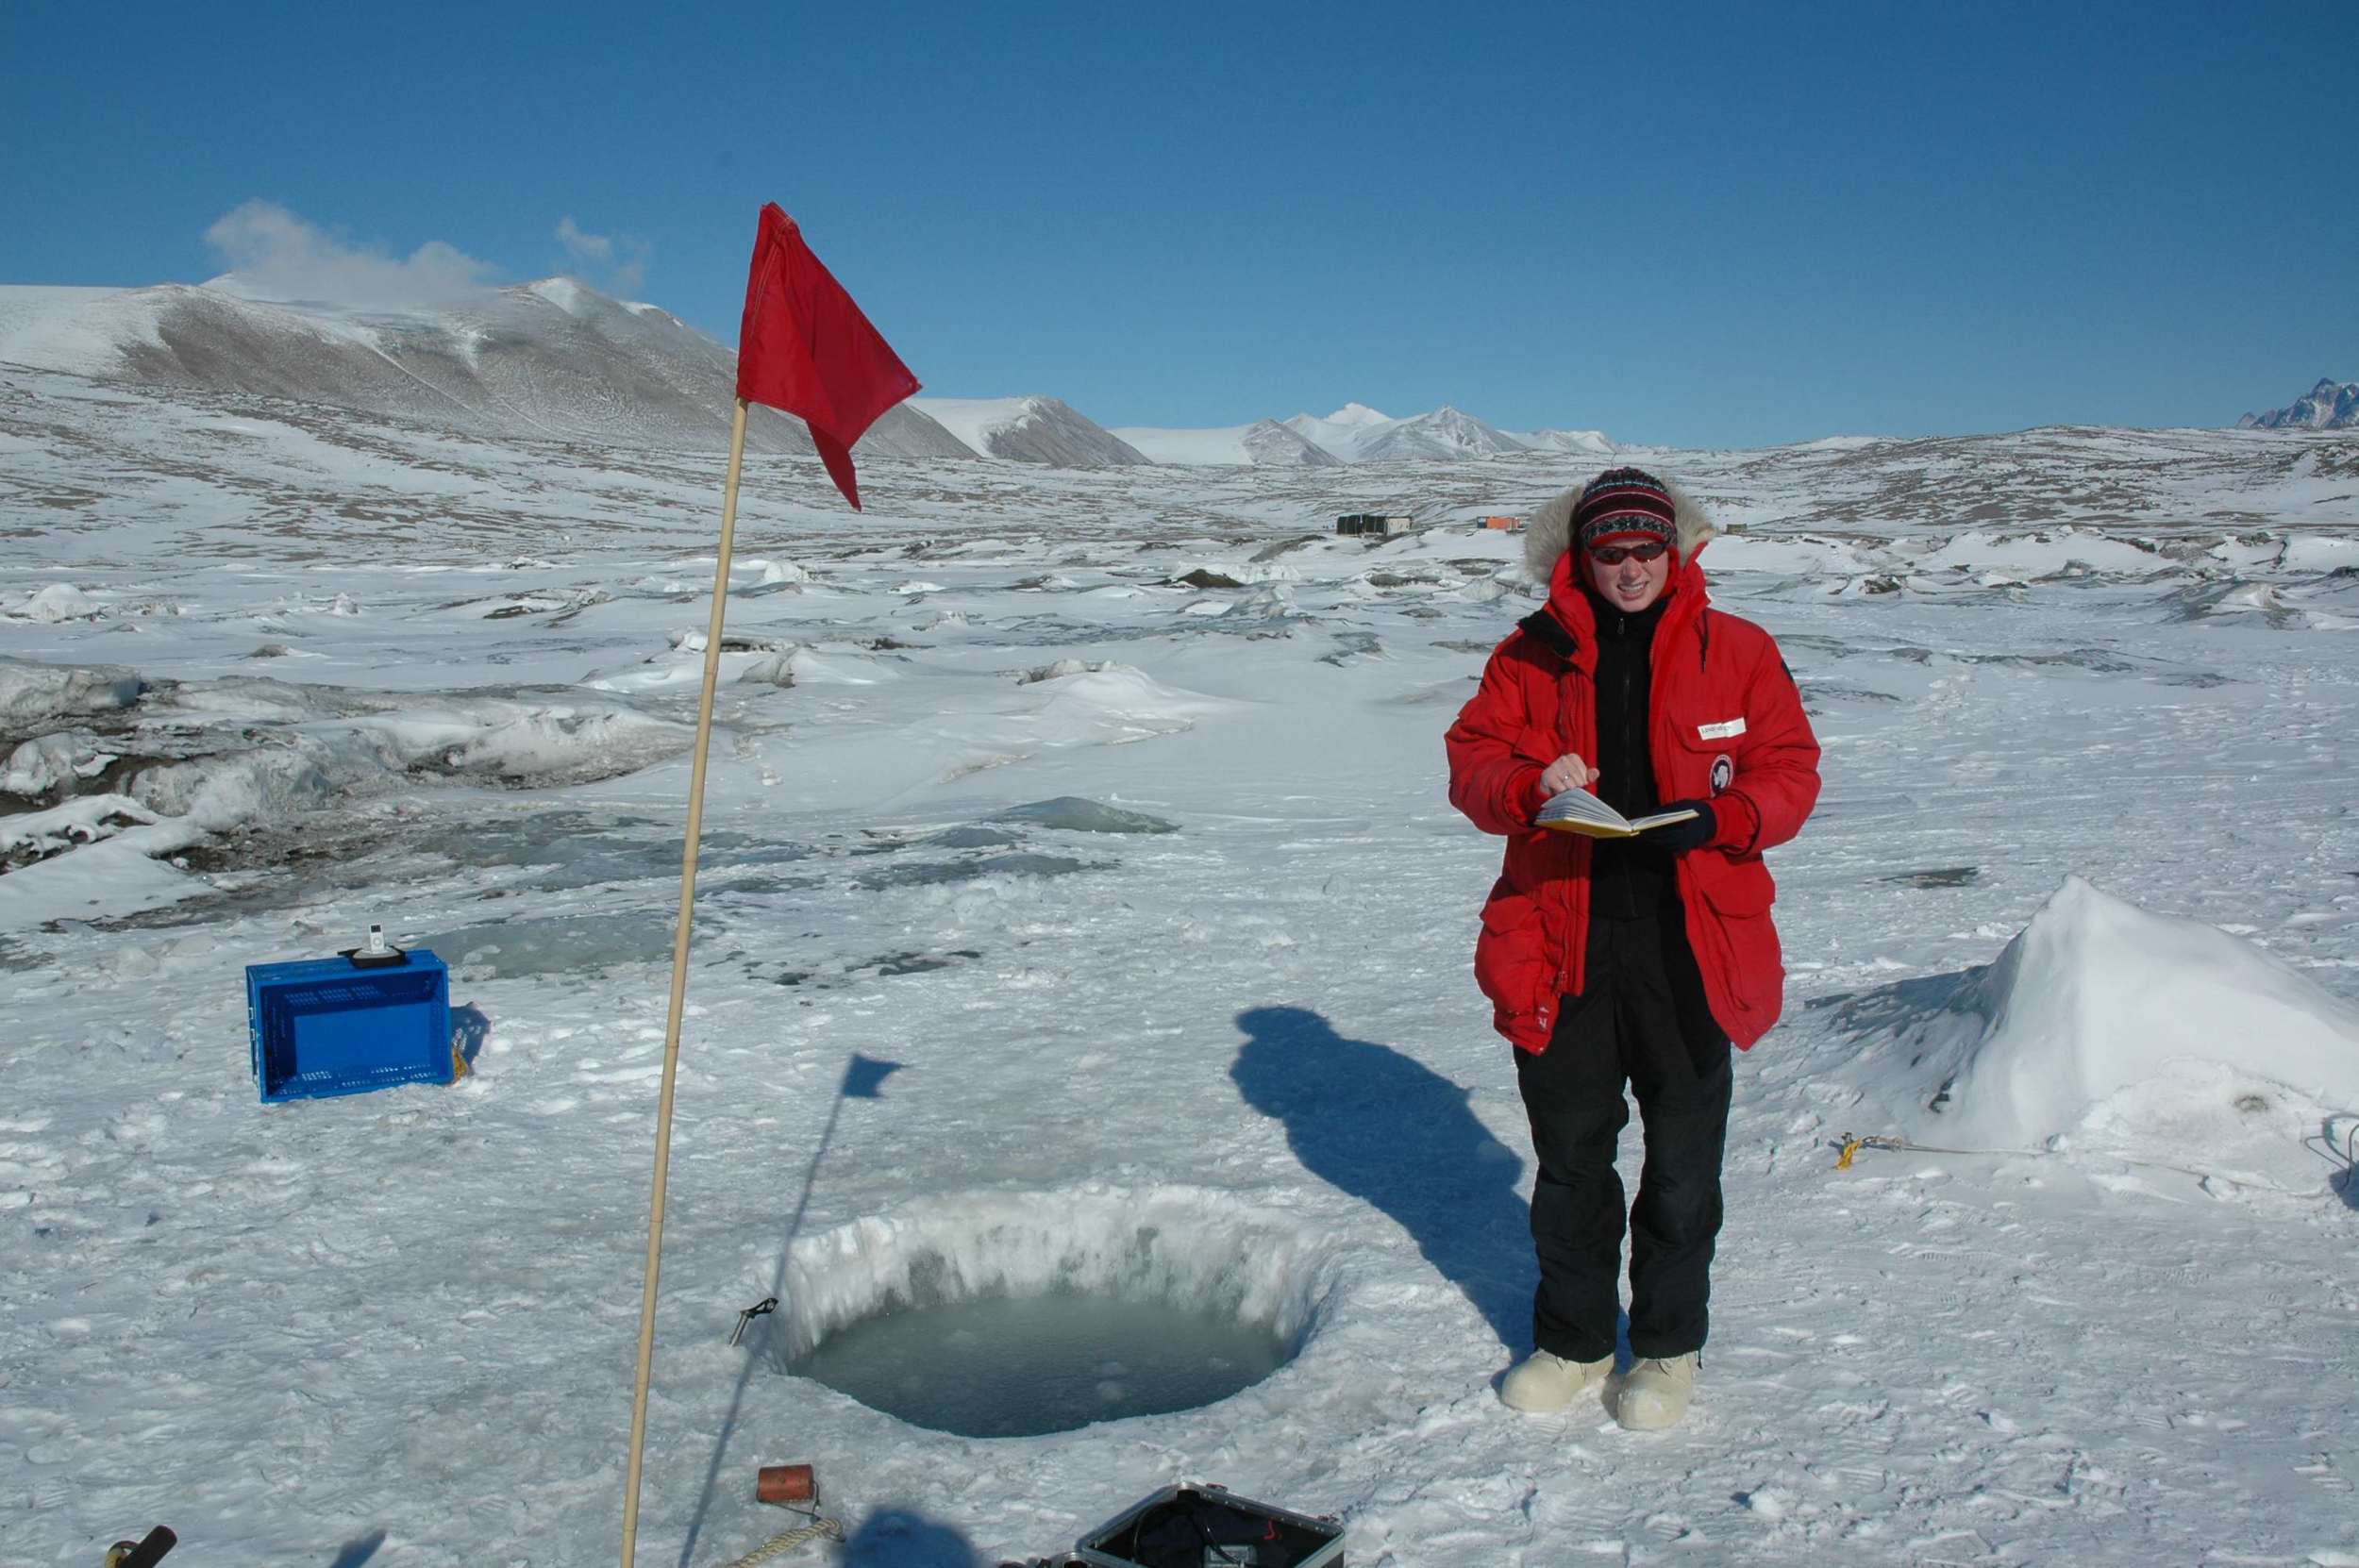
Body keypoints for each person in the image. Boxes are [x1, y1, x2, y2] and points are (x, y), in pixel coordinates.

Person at [1445, 467, 1820, 1430]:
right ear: (1581, 556)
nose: (1629, 568)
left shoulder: (1735, 650)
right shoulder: (1525, 655)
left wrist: (1724, 815)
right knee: (1571, 1158)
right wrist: (1532, 783)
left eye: (1646, 548)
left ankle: (1664, 1349)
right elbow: (1472, 761)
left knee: (1684, 1163)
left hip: (1690, 944)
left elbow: (1789, 769)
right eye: (1608, 551)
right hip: (1560, 939)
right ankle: (1570, 1342)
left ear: (1675, 549)